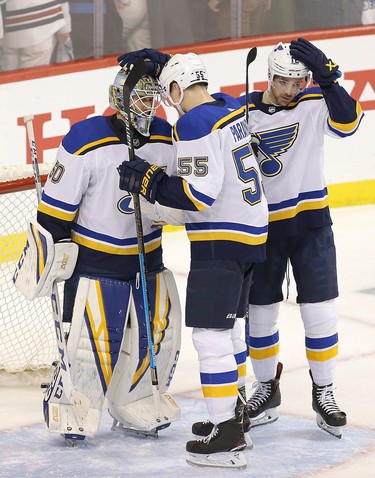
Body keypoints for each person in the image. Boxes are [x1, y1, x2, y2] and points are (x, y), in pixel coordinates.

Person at [14, 65, 182, 444]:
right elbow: (55, 212)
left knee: (156, 339)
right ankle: (73, 404)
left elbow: (176, 192)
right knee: (93, 348)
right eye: (141, 97)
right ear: (119, 99)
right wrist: (50, 256)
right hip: (95, 262)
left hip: (148, 258)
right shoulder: (86, 138)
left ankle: (134, 400)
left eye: (154, 97)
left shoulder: (166, 137)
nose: (150, 105)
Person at [117, 51, 269, 469]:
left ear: (179, 89)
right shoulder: (226, 105)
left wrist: (148, 181)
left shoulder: (192, 123)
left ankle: (227, 434)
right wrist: (166, 63)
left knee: (210, 335)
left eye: (170, 91)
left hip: (221, 240)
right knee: (230, 331)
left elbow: (196, 196)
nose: (168, 101)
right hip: (252, 233)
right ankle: (234, 416)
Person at [237, 39, 364, 438]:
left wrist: (328, 81)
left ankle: (324, 392)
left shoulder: (316, 101)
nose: (291, 89)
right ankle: (266, 389)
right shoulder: (243, 113)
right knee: (259, 314)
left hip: (312, 225)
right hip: (263, 227)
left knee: (321, 311)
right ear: (268, 76)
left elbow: (349, 124)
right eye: (282, 81)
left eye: (299, 81)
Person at [1, 0, 72, 70]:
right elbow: (64, 34)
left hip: (7, 28)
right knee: (33, 78)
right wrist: (65, 28)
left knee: (8, 75)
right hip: (41, 25)